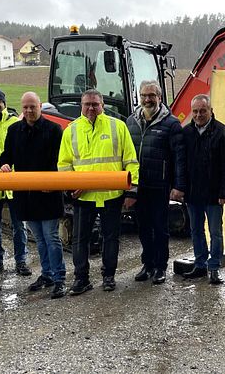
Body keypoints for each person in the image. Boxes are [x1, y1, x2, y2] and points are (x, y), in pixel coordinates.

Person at [58, 89, 139, 295]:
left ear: (102, 105)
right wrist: (69, 188)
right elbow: (64, 164)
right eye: (87, 104)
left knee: (111, 238)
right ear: (81, 106)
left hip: (111, 195)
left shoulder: (117, 127)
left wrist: (131, 192)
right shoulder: (71, 130)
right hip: (83, 197)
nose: (91, 108)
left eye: (95, 104)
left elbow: (130, 160)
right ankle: (81, 279)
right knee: (80, 239)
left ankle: (108, 276)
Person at [0, 92, 68, 299]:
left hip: (48, 194)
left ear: (40, 106)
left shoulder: (54, 130)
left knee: (51, 237)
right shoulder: (14, 130)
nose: (29, 111)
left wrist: (53, 183)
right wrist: (3, 165)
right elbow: (7, 155)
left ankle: (59, 279)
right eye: (25, 108)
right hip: (26, 195)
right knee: (38, 238)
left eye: (33, 107)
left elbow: (61, 161)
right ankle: (46, 274)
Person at [125, 80, 185, 284]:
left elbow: (179, 158)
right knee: (142, 228)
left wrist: (178, 186)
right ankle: (147, 264)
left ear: (160, 97)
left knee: (160, 228)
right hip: (137, 187)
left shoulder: (171, 124)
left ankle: (160, 267)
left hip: (159, 186)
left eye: (152, 95)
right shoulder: (130, 122)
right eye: (144, 95)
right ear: (139, 97)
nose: (148, 99)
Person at [182, 94, 225, 285]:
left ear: (210, 111)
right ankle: (200, 265)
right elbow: (180, 163)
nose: (198, 115)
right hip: (192, 193)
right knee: (196, 230)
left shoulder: (223, 132)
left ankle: (213, 267)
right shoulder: (186, 133)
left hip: (214, 195)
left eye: (202, 111)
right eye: (195, 111)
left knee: (215, 232)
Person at [0, 88, 30, 277]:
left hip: (13, 182)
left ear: (4, 103)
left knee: (19, 226)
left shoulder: (15, 122)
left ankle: (21, 261)